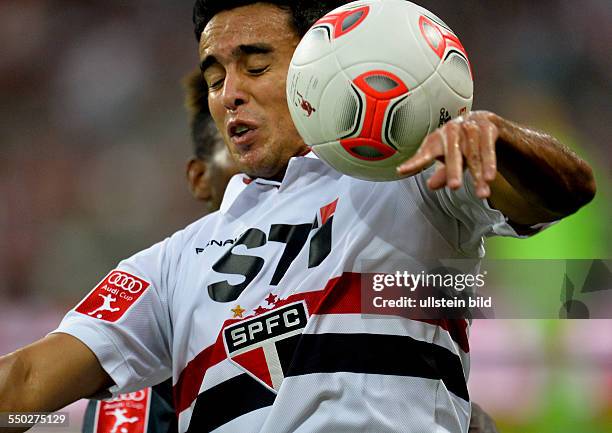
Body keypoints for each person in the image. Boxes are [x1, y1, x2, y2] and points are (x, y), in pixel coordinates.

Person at [0, 1, 595, 432]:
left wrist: (499, 137)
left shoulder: (409, 180)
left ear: (323, 70)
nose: (228, 93)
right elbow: (26, 388)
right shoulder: (169, 263)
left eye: (254, 67)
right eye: (214, 77)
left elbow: (563, 191)